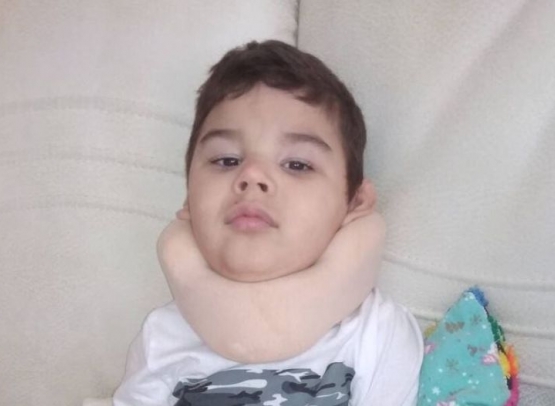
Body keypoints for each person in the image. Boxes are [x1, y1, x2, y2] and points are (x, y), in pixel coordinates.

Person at [113, 40, 423, 405]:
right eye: (227, 160)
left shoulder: (376, 333)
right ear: (189, 202)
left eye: (297, 164)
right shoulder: (162, 337)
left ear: (354, 202)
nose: (252, 175)